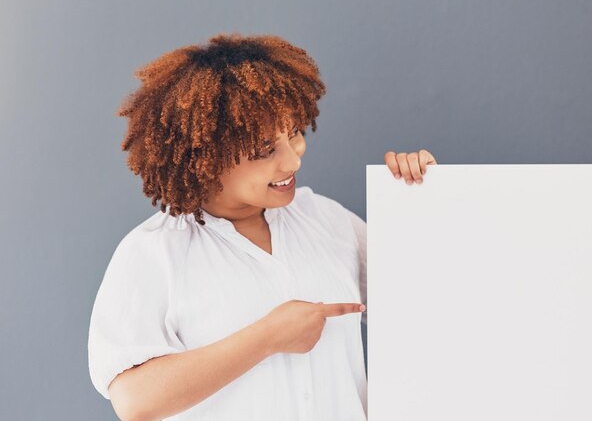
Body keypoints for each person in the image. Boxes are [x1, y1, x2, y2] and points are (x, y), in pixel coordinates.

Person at [87, 33, 437, 421]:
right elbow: (135, 399)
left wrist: (420, 202)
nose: (292, 162)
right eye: (264, 151)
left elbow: (430, 306)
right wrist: (266, 338)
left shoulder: (328, 219)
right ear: (206, 158)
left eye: (295, 135)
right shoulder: (153, 252)